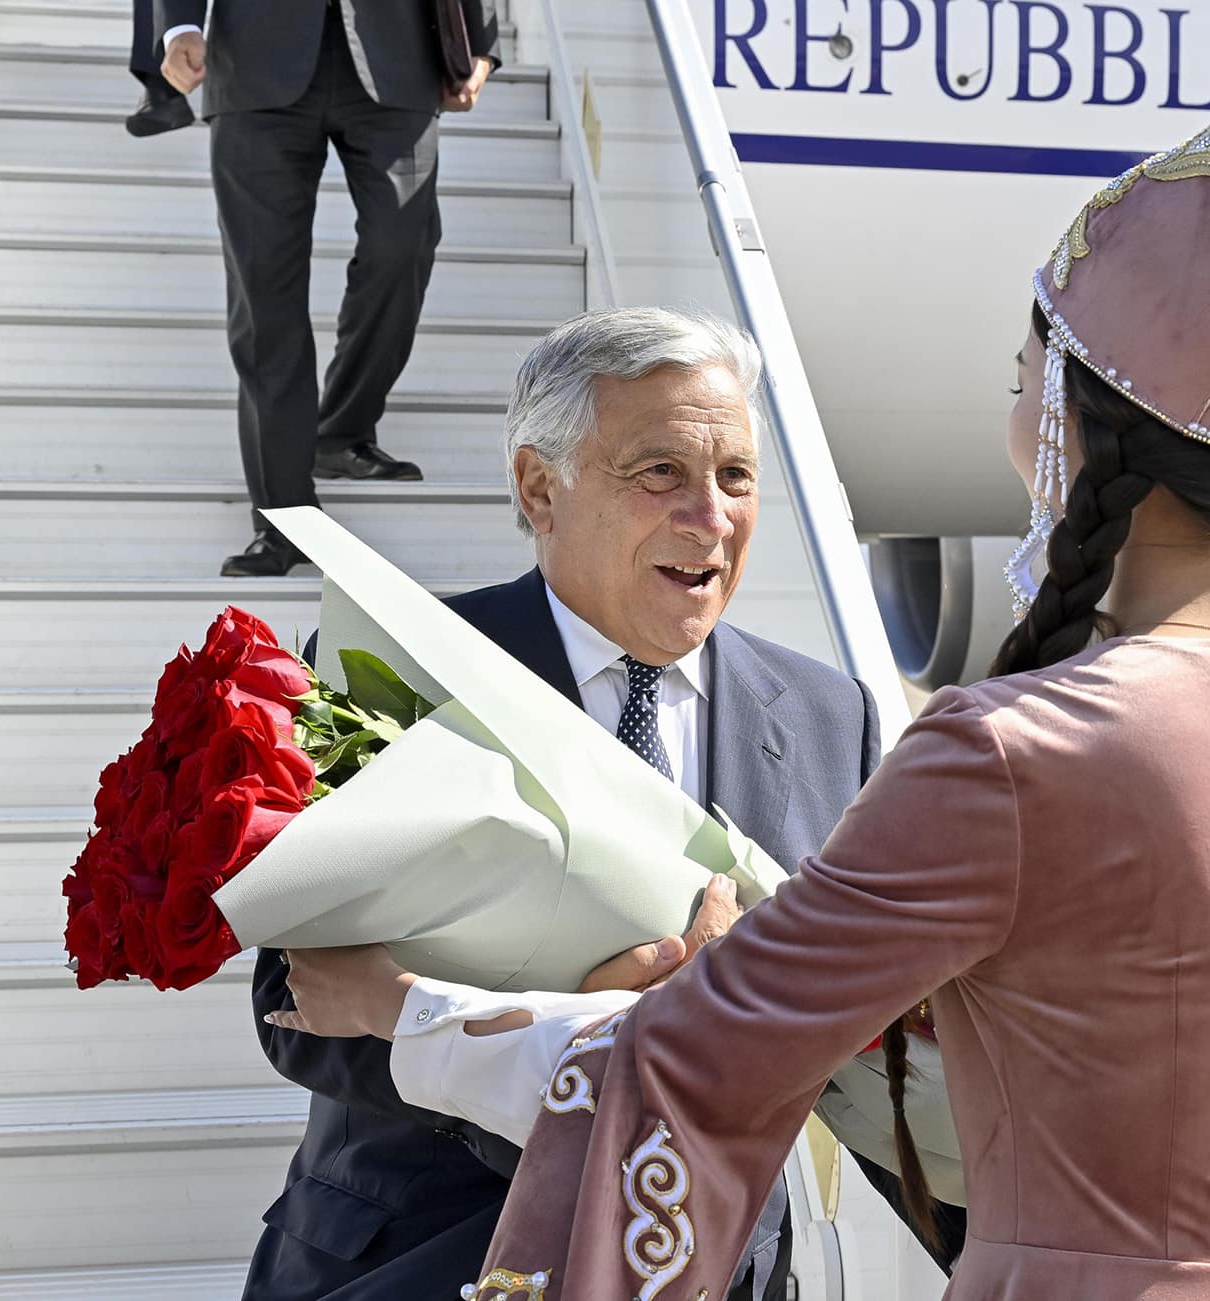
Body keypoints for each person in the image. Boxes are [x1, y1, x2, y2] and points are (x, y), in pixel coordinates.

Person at [276, 0, 1210, 1295]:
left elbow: (700, 1056)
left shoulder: (999, 748)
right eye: (660, 472)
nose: (708, 514)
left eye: (1021, 376)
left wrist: (401, 1008)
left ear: (1069, 428)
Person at [245, 309, 958, 1300]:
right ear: (540, 488)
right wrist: (579, 1032)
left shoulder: (832, 716)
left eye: (736, 476)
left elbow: (871, 1050)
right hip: (423, 1259)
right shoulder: (395, 672)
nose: (711, 517)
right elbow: (293, 1005)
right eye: (661, 471)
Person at [154, 0, 505, 577]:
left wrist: (480, 43)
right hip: (255, 61)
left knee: (402, 248)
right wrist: (180, 26)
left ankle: (341, 429)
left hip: (397, 55)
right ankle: (285, 519)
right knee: (264, 296)